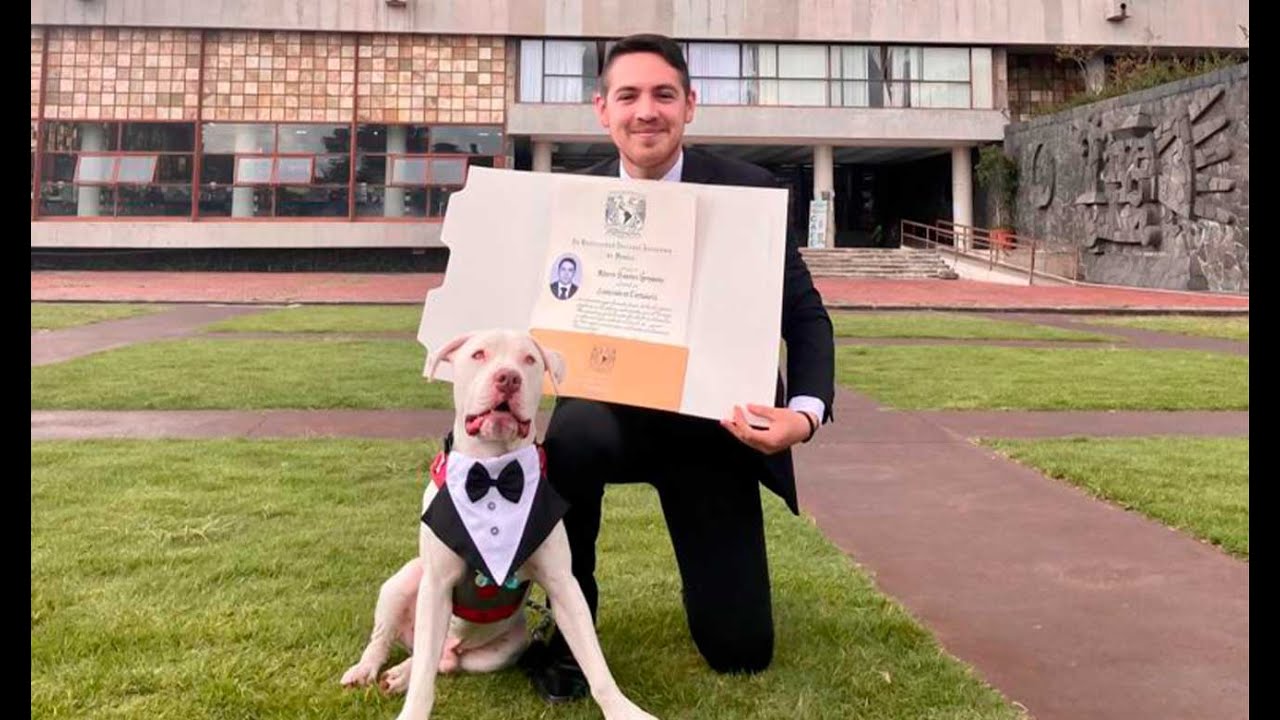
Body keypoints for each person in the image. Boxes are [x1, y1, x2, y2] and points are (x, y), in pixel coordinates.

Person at [519, 33, 835, 701]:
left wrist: (802, 417)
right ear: (601, 109)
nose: (646, 112)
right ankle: (573, 623)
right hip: (607, 417)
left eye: (664, 95)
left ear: (690, 105)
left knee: (742, 652)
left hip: (712, 430)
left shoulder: (749, 194)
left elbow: (805, 318)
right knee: (572, 437)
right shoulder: (568, 203)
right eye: (628, 96)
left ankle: (713, 588)